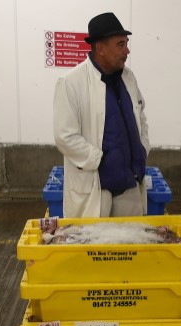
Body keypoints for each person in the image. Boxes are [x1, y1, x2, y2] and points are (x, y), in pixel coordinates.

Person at [53, 12, 149, 218]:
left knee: (130, 246)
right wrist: (100, 159)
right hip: (97, 188)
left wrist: (142, 149)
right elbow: (65, 136)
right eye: (121, 44)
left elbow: (141, 116)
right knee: (95, 249)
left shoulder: (128, 78)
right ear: (101, 48)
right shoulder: (71, 82)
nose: (127, 50)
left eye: (127, 43)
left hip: (130, 186)